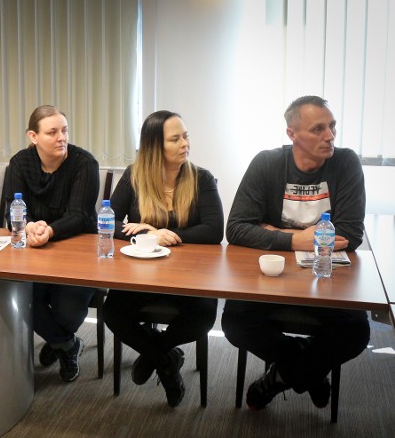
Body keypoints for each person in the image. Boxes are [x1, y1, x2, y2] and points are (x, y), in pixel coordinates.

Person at [222, 95, 369, 411]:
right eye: (318, 129)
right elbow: (236, 229)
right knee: (235, 322)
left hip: (327, 276)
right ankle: (309, 370)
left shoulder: (345, 163)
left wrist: (274, 232)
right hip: (273, 277)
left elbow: (351, 234)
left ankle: (280, 378)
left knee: (355, 332)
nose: (329, 136)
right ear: (292, 134)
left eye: (332, 126)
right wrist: (298, 240)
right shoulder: (268, 163)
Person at [102, 110, 224, 407]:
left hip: (189, 276)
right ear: (156, 146)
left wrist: (166, 233)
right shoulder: (134, 175)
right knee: (114, 313)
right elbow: (107, 222)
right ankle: (167, 359)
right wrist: (146, 232)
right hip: (141, 274)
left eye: (186, 136)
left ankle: (155, 355)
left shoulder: (201, 178)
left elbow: (214, 230)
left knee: (202, 319)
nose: (186, 143)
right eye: (176, 138)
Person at [3, 105, 100, 382]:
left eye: (64, 130)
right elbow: (13, 207)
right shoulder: (20, 163)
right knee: (20, 301)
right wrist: (31, 226)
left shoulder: (84, 163)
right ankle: (67, 344)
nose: (61, 137)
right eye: (52, 132)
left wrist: (49, 231)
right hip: (36, 251)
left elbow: (80, 215)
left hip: (78, 251)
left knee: (67, 313)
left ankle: (58, 338)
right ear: (33, 136)